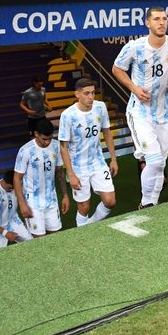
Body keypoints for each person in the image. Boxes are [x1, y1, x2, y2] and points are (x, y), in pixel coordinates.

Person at [113, 6, 168, 209]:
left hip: (164, 114)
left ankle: (152, 203)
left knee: (161, 163)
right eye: (156, 19)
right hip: (140, 113)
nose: (161, 22)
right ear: (147, 23)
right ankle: (145, 202)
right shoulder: (134, 47)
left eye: (164, 19)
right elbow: (117, 68)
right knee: (153, 161)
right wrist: (134, 88)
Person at [59, 78, 118, 225]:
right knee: (84, 208)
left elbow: (107, 132)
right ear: (77, 94)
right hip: (78, 167)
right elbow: (63, 147)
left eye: (93, 93)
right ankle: (84, 234)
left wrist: (113, 158)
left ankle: (90, 224)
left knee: (110, 201)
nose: (91, 97)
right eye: (86, 93)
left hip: (98, 162)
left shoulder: (100, 107)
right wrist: (71, 174)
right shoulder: (68, 115)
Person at [14, 118, 69, 237]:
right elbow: (17, 178)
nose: (47, 142)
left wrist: (65, 196)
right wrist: (22, 203)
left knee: (56, 238)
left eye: (50, 138)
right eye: (44, 139)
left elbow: (60, 172)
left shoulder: (56, 146)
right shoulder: (26, 150)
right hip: (33, 203)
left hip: (52, 201)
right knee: (39, 241)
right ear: (36, 134)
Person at [0, 169, 32, 251]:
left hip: (14, 221)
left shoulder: (16, 186)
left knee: (31, 243)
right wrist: (5, 233)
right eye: (14, 187)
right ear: (9, 185)